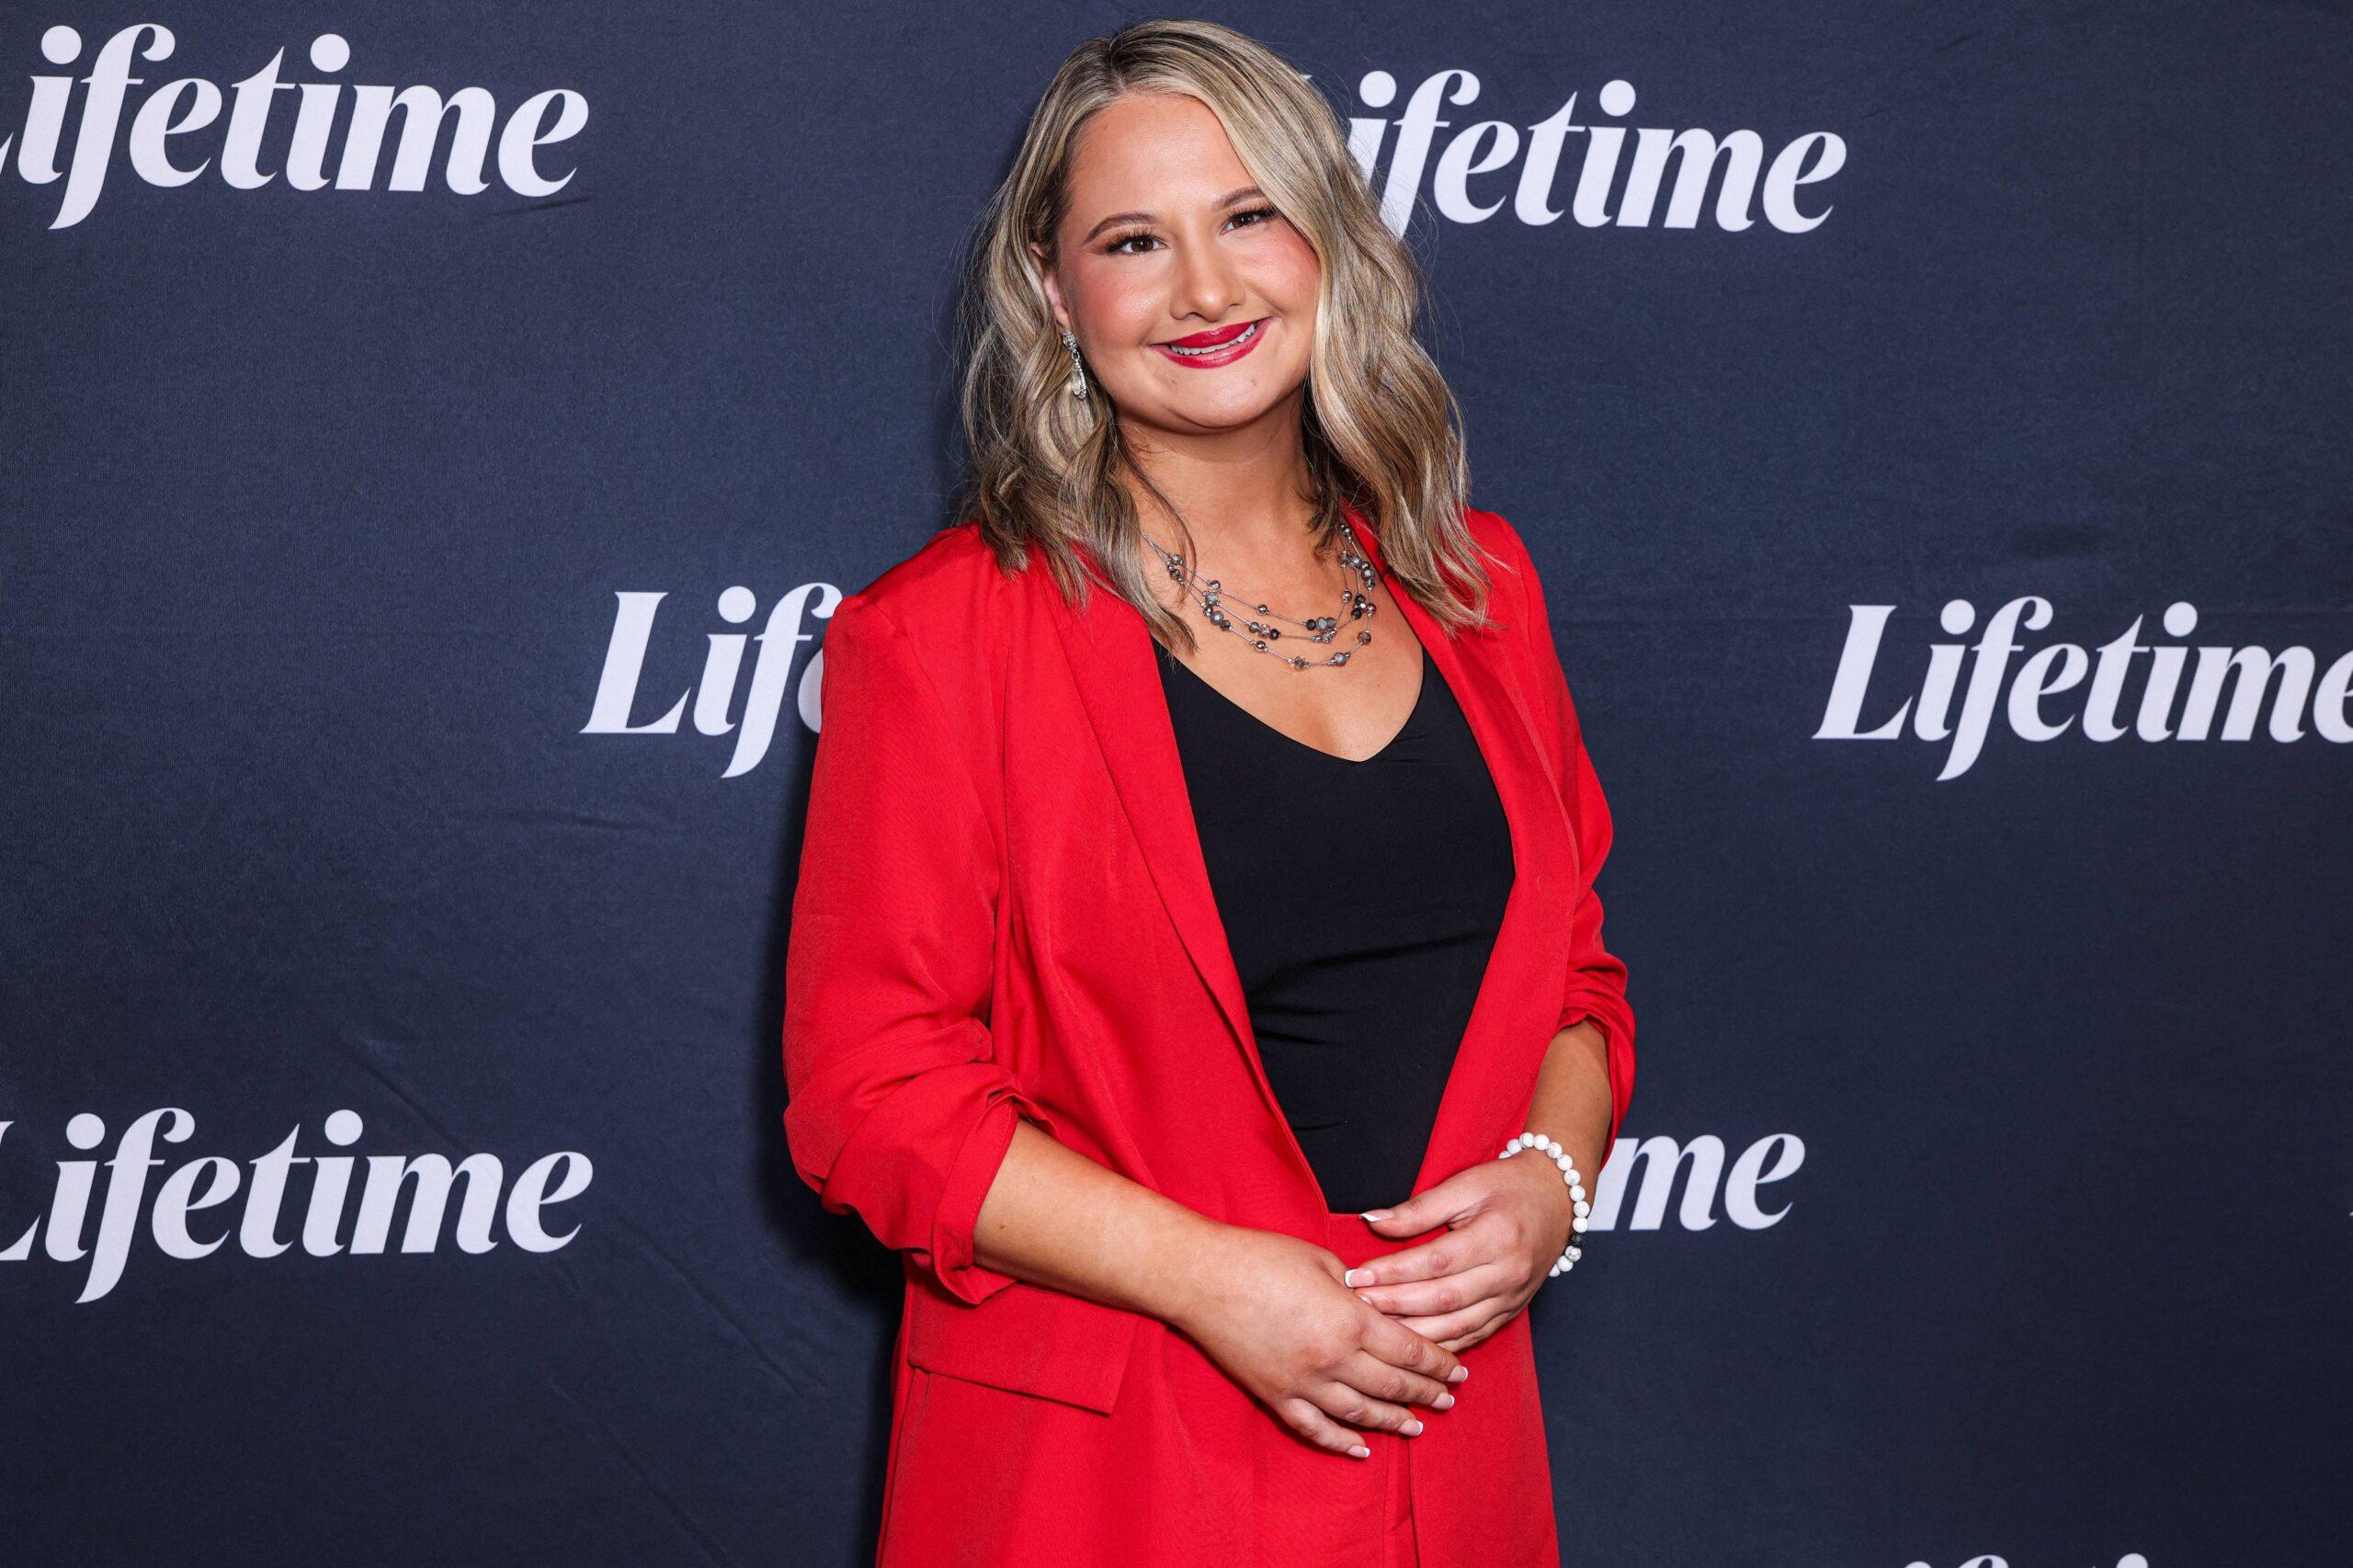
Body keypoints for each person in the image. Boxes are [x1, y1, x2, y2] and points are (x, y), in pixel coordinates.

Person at [781, 19, 1635, 1565]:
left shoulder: (1480, 585)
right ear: (1057, 292)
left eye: (1248, 215)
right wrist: (1210, 1277)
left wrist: (1550, 1182)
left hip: (1451, 1461)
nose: (1205, 289)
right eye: (1132, 240)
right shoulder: (942, 634)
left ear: (1328, 238)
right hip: (1113, 1477)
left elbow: (1576, 975)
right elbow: (872, 1096)